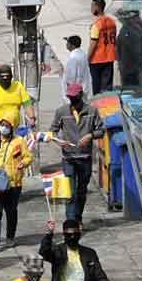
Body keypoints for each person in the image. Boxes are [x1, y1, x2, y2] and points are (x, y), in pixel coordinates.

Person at [51, 84, 105, 225]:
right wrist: (59, 141)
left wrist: (90, 136)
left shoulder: (92, 111)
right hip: (68, 158)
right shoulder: (61, 112)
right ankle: (71, 222)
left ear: (81, 95)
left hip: (85, 158)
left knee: (81, 191)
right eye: (70, 97)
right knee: (70, 192)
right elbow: (52, 131)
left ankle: (78, 218)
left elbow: (101, 130)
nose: (72, 100)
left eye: (74, 97)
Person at [0, 119, 32, 254]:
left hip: (13, 183)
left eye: (6, 126)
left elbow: (28, 157)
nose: (3, 128)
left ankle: (10, 237)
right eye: (2, 125)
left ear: (12, 127)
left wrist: (23, 164)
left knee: (11, 211)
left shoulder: (19, 141)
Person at [90, 0, 119, 93]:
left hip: (96, 60)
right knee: (107, 88)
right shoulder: (112, 22)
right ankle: (107, 107)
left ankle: (98, 107)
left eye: (92, 6)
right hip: (109, 58)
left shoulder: (96, 25)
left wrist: (87, 58)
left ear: (97, 8)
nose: (91, 9)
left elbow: (93, 44)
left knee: (97, 88)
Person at [63, 34, 93, 99]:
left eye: (67, 42)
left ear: (72, 45)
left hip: (75, 92)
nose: (66, 44)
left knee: (74, 108)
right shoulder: (83, 55)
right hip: (84, 89)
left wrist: (69, 91)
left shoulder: (73, 58)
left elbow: (71, 77)